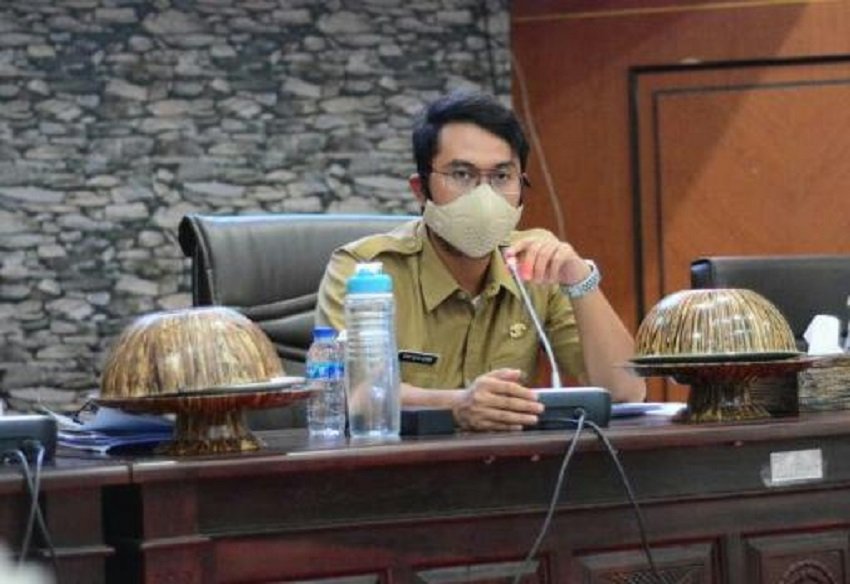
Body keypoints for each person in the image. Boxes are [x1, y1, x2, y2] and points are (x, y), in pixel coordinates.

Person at [317, 91, 645, 431]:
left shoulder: (536, 265)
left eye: (501, 177)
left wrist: (580, 278)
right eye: (461, 174)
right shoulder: (363, 268)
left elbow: (627, 391)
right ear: (420, 189)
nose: (484, 196)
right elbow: (353, 395)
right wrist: (456, 404)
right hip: (399, 463)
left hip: (512, 462)